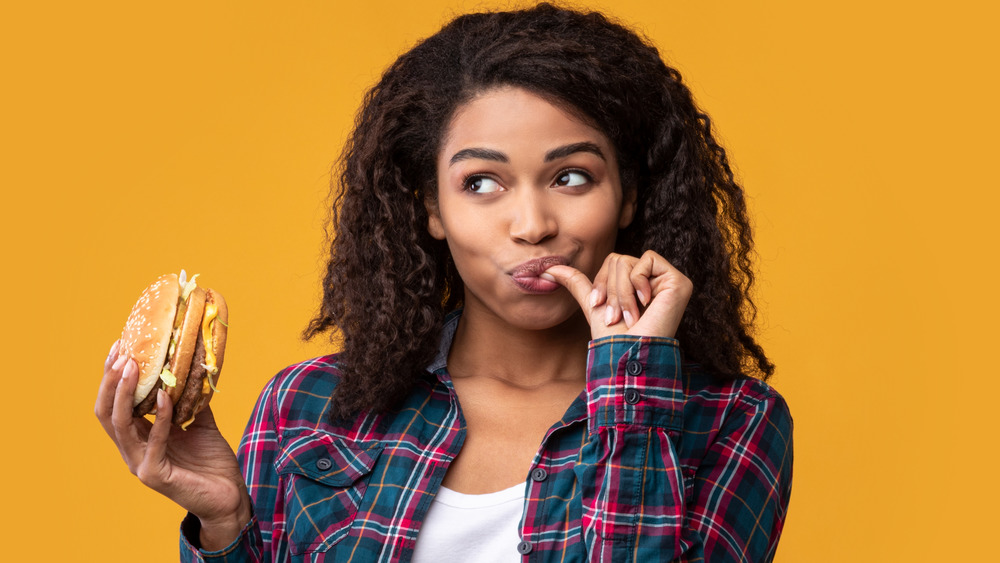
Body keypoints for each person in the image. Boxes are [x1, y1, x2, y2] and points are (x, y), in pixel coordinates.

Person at [96, 3, 792, 562]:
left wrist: (629, 379)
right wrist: (225, 524)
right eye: (481, 183)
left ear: (630, 195)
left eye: (570, 176)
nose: (532, 223)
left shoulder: (732, 423)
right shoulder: (309, 406)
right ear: (431, 207)